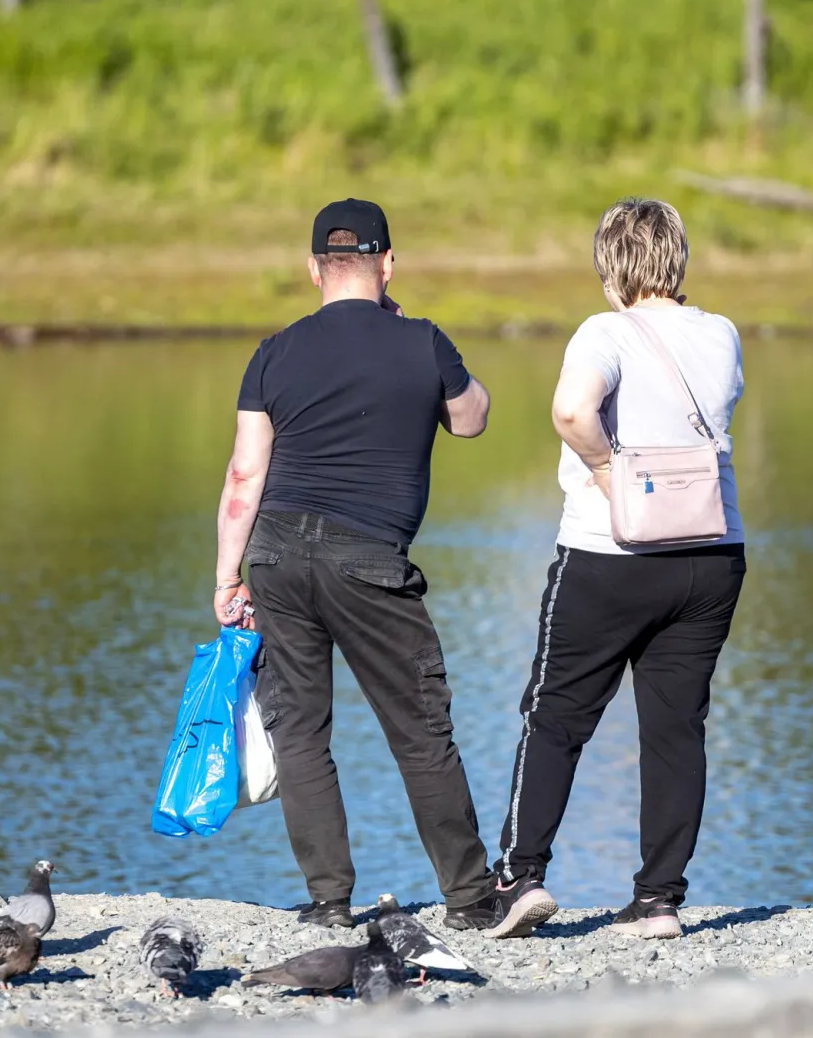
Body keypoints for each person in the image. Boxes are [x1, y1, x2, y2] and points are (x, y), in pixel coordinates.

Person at [211, 198, 504, 930]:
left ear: (313, 270)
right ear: (389, 265)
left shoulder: (273, 351)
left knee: (301, 729)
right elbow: (473, 419)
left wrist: (227, 577)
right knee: (418, 729)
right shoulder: (422, 341)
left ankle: (327, 902)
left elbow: (244, 477)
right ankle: (470, 900)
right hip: (369, 560)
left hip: (276, 553)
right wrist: (413, 339)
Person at [483, 198, 748, 940]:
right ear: (677, 258)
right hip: (710, 555)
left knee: (556, 716)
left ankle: (520, 876)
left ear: (610, 266)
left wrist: (608, 470)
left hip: (611, 554)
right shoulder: (721, 334)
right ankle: (659, 899)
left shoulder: (604, 331)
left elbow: (573, 411)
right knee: (675, 729)